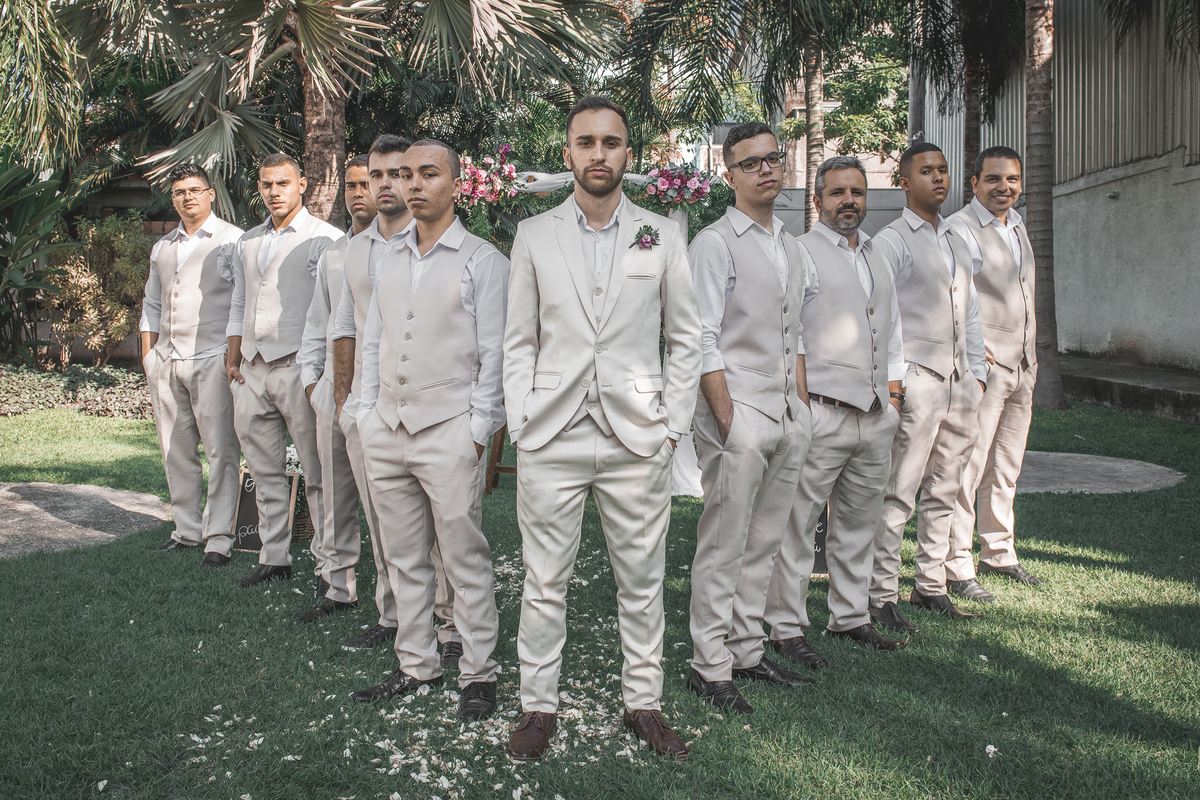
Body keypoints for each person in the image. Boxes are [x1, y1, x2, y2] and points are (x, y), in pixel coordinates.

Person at [503, 97, 703, 761]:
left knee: (642, 583)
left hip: (637, 436)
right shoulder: (533, 235)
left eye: (610, 143)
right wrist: (523, 422)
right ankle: (538, 706)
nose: (598, 153)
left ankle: (643, 704)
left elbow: (686, 337)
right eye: (585, 142)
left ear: (628, 154)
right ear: (568, 156)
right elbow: (518, 342)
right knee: (543, 582)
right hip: (551, 435)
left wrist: (672, 423)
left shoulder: (662, 235)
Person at [348, 138, 506, 723]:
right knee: (401, 555)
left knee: (463, 557)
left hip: (449, 428)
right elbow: (372, 342)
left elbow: (496, 357)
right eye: (406, 175)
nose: (413, 185)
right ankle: (415, 663)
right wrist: (366, 414)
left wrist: (476, 432)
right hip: (386, 426)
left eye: (428, 174)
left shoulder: (484, 261)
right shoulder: (386, 259)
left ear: (456, 183)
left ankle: (479, 673)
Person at [686, 122, 817, 716]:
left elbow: (799, 336)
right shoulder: (715, 242)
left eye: (774, 158)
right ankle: (708, 664)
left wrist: (803, 406)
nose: (767, 169)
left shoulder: (792, 243)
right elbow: (699, 338)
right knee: (724, 539)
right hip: (737, 409)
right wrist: (726, 417)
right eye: (752, 162)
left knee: (766, 537)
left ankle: (745, 647)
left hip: (787, 410)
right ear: (729, 173)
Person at [764, 156, 908, 661]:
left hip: (874, 413)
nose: (849, 201)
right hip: (822, 409)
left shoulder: (877, 254)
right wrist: (802, 404)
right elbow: (791, 333)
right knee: (797, 525)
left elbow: (891, 329)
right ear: (818, 199)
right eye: (838, 193)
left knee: (858, 522)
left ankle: (850, 616)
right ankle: (786, 627)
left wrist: (893, 395)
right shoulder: (799, 252)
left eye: (857, 192)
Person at [331, 135, 462, 659]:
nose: (387, 184)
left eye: (396, 174)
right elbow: (345, 326)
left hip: (432, 411)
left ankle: (449, 621)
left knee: (441, 531)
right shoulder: (357, 250)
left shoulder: (432, 244)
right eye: (378, 175)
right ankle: (395, 614)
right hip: (371, 410)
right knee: (385, 521)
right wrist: (347, 403)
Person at [868, 143, 990, 632]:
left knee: (946, 486)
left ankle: (930, 584)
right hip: (917, 379)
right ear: (905, 181)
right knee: (899, 491)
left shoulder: (957, 238)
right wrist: (897, 382)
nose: (938, 178)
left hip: (961, 380)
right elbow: (881, 315)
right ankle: (880, 594)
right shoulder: (893, 240)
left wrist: (978, 374)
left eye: (942, 170)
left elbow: (973, 310)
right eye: (926, 171)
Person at [226, 153, 341, 588]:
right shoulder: (249, 240)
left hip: (299, 367)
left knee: (317, 472)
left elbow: (334, 313)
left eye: (283, 183)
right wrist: (232, 355)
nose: (274, 192)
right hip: (252, 369)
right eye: (266, 184)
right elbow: (240, 301)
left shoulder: (325, 239)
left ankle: (327, 561)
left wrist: (320, 373)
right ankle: (273, 555)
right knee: (263, 469)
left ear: (302, 185)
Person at [946, 146, 1044, 592]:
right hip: (985, 368)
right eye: (994, 180)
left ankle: (999, 553)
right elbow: (951, 295)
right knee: (968, 464)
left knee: (1006, 465)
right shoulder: (960, 229)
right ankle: (955, 562)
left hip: (1023, 364)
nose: (1004, 188)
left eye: (1012, 180)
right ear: (975, 184)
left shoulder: (1017, 224)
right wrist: (972, 351)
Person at [141, 163, 244, 567]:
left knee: (221, 451)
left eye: (195, 190)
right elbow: (151, 303)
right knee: (174, 449)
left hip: (211, 359)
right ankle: (186, 530)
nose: (188, 198)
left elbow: (244, 300)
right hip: (166, 361)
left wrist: (229, 356)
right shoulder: (162, 246)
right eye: (180, 192)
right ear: (173, 198)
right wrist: (149, 356)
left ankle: (218, 538)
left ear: (211, 194)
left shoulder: (233, 240)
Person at [294, 155, 375, 622]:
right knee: (329, 489)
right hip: (330, 390)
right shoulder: (332, 255)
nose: (358, 192)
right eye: (351, 185)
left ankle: (398, 594)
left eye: (366, 183)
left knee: (382, 498)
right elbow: (317, 323)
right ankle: (337, 583)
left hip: (376, 393)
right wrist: (312, 382)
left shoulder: (399, 248)